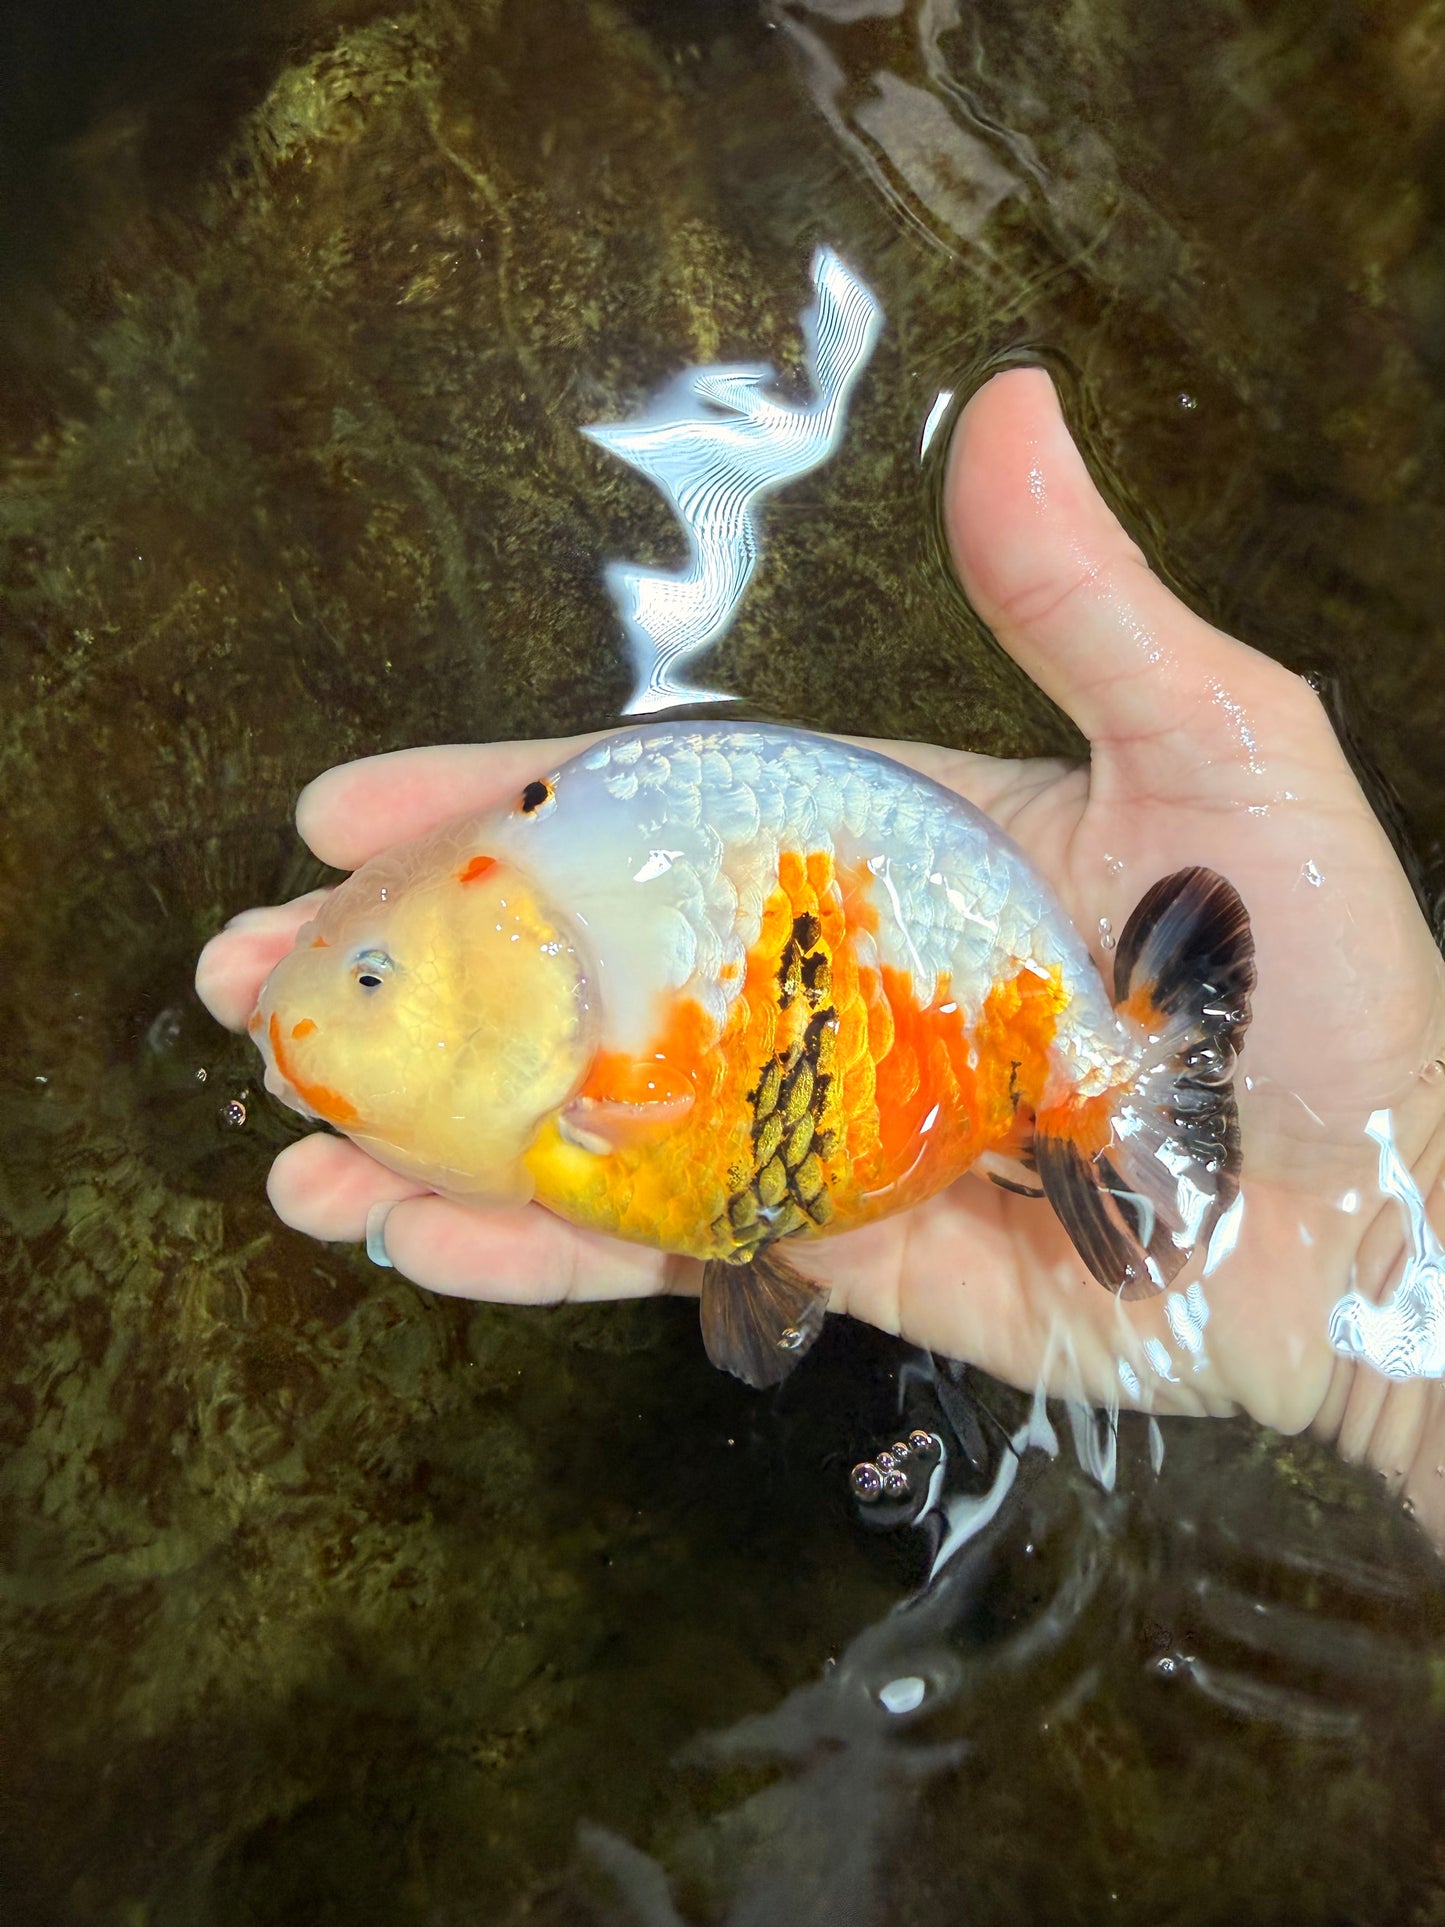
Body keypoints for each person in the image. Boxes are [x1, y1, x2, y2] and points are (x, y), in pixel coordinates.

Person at [196, 368, 1445, 1540]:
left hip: (975, 1067)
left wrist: (1396, 1224)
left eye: (372, 980)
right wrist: (1387, 1257)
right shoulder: (553, 945)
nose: (325, 1014)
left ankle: (1103, 1089)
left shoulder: (602, 1081)